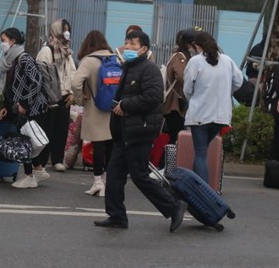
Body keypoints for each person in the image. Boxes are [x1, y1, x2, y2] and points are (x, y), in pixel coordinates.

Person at [94, 30, 185, 232]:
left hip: (140, 131)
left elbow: (153, 97)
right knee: (115, 174)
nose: (128, 47)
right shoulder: (128, 67)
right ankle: (117, 216)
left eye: (133, 44)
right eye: (126, 43)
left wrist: (126, 105)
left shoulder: (149, 69)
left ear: (143, 49)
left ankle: (173, 206)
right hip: (124, 132)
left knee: (139, 175)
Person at [183, 31, 243, 184]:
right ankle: (193, 187)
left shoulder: (195, 61)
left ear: (197, 46)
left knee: (200, 154)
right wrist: (225, 92)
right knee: (202, 152)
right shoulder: (227, 60)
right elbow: (239, 81)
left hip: (200, 115)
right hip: (221, 115)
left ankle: (204, 192)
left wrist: (195, 99)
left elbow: (187, 89)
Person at [0, 28, 49, 189]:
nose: (2, 44)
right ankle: (38, 170)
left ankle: (29, 175)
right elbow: (10, 86)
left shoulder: (24, 59)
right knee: (26, 139)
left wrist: (25, 103)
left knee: (25, 141)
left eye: (4, 40)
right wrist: (6, 106)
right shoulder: (9, 59)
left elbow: (37, 81)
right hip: (17, 106)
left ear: (12, 41)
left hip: (30, 106)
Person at [71, 30, 116, 197]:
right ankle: (111, 182)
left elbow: (76, 83)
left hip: (95, 107)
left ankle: (98, 183)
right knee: (111, 144)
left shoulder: (89, 61)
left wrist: (80, 98)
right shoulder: (114, 58)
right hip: (113, 108)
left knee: (98, 145)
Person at [36, 19, 77, 172]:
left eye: (68, 30)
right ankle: (42, 161)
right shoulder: (47, 50)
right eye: (63, 29)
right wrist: (47, 95)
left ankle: (57, 160)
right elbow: (42, 75)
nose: (66, 33)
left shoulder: (67, 51)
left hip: (65, 95)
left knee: (61, 129)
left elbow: (72, 73)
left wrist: (72, 92)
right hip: (50, 97)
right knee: (47, 129)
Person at [162, 28, 197, 142]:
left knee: (175, 136)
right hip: (175, 104)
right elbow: (181, 77)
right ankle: (173, 159)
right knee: (175, 137)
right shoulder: (180, 57)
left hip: (176, 104)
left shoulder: (178, 55)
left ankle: (173, 158)